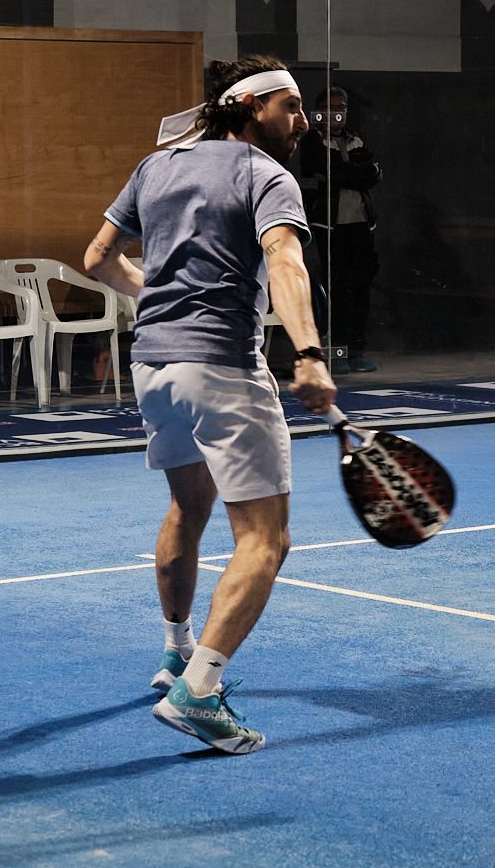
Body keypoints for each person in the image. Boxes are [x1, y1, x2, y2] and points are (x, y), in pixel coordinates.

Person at [83, 55, 335, 755]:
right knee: (266, 539)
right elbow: (285, 262)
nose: (304, 121)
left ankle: (175, 652)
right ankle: (199, 690)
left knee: (188, 506)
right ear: (252, 106)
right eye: (292, 107)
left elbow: (96, 258)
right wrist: (309, 352)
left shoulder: (154, 167)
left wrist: (161, 297)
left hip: (152, 367)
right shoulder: (267, 175)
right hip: (222, 365)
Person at [298, 85, 382, 372]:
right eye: (331, 108)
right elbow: (327, 172)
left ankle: (356, 350)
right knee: (337, 288)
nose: (337, 114)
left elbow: (373, 173)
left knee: (361, 287)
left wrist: (348, 174)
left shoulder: (355, 139)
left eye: (342, 108)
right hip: (330, 227)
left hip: (361, 224)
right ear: (319, 112)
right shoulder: (312, 141)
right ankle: (337, 351)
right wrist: (352, 173)